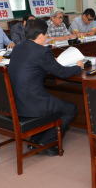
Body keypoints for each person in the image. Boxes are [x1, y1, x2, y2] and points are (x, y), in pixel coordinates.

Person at [8, 19, 84, 156]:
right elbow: (62, 72)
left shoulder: (18, 48)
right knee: (71, 109)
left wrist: (49, 64)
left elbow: (30, 66)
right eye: (46, 34)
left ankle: (36, 139)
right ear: (41, 36)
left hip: (16, 102)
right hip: (33, 103)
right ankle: (45, 143)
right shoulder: (43, 52)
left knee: (55, 102)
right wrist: (78, 67)